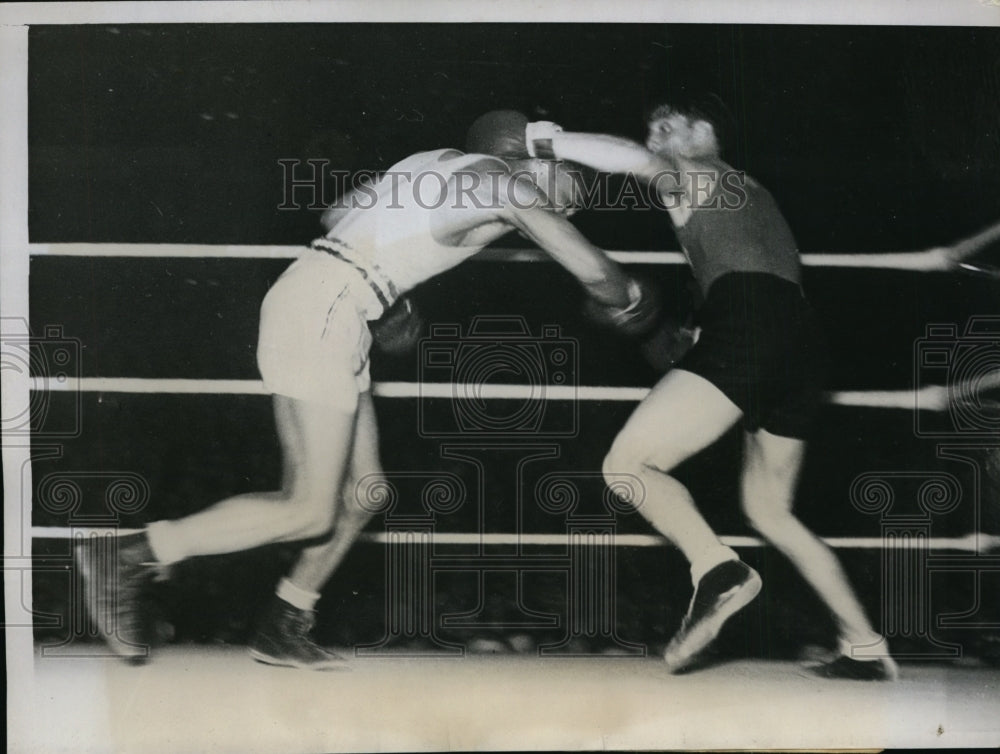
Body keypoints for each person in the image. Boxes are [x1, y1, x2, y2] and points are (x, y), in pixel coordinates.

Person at [78, 110, 660, 669]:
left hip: (325, 299)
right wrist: (631, 295)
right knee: (308, 510)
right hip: (328, 310)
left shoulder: (430, 161)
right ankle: (133, 553)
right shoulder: (504, 183)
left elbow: (336, 215)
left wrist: (390, 294)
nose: (572, 202)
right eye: (569, 187)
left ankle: (284, 621)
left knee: (365, 494)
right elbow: (593, 272)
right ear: (524, 156)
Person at [517, 96, 899, 679]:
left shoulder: (692, 175)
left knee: (628, 466)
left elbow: (641, 165)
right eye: (653, 124)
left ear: (707, 130)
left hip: (752, 325)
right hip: (800, 341)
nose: (658, 133)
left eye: (671, 123)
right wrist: (654, 333)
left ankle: (718, 569)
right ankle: (866, 646)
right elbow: (714, 329)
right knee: (770, 511)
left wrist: (545, 142)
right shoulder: (753, 195)